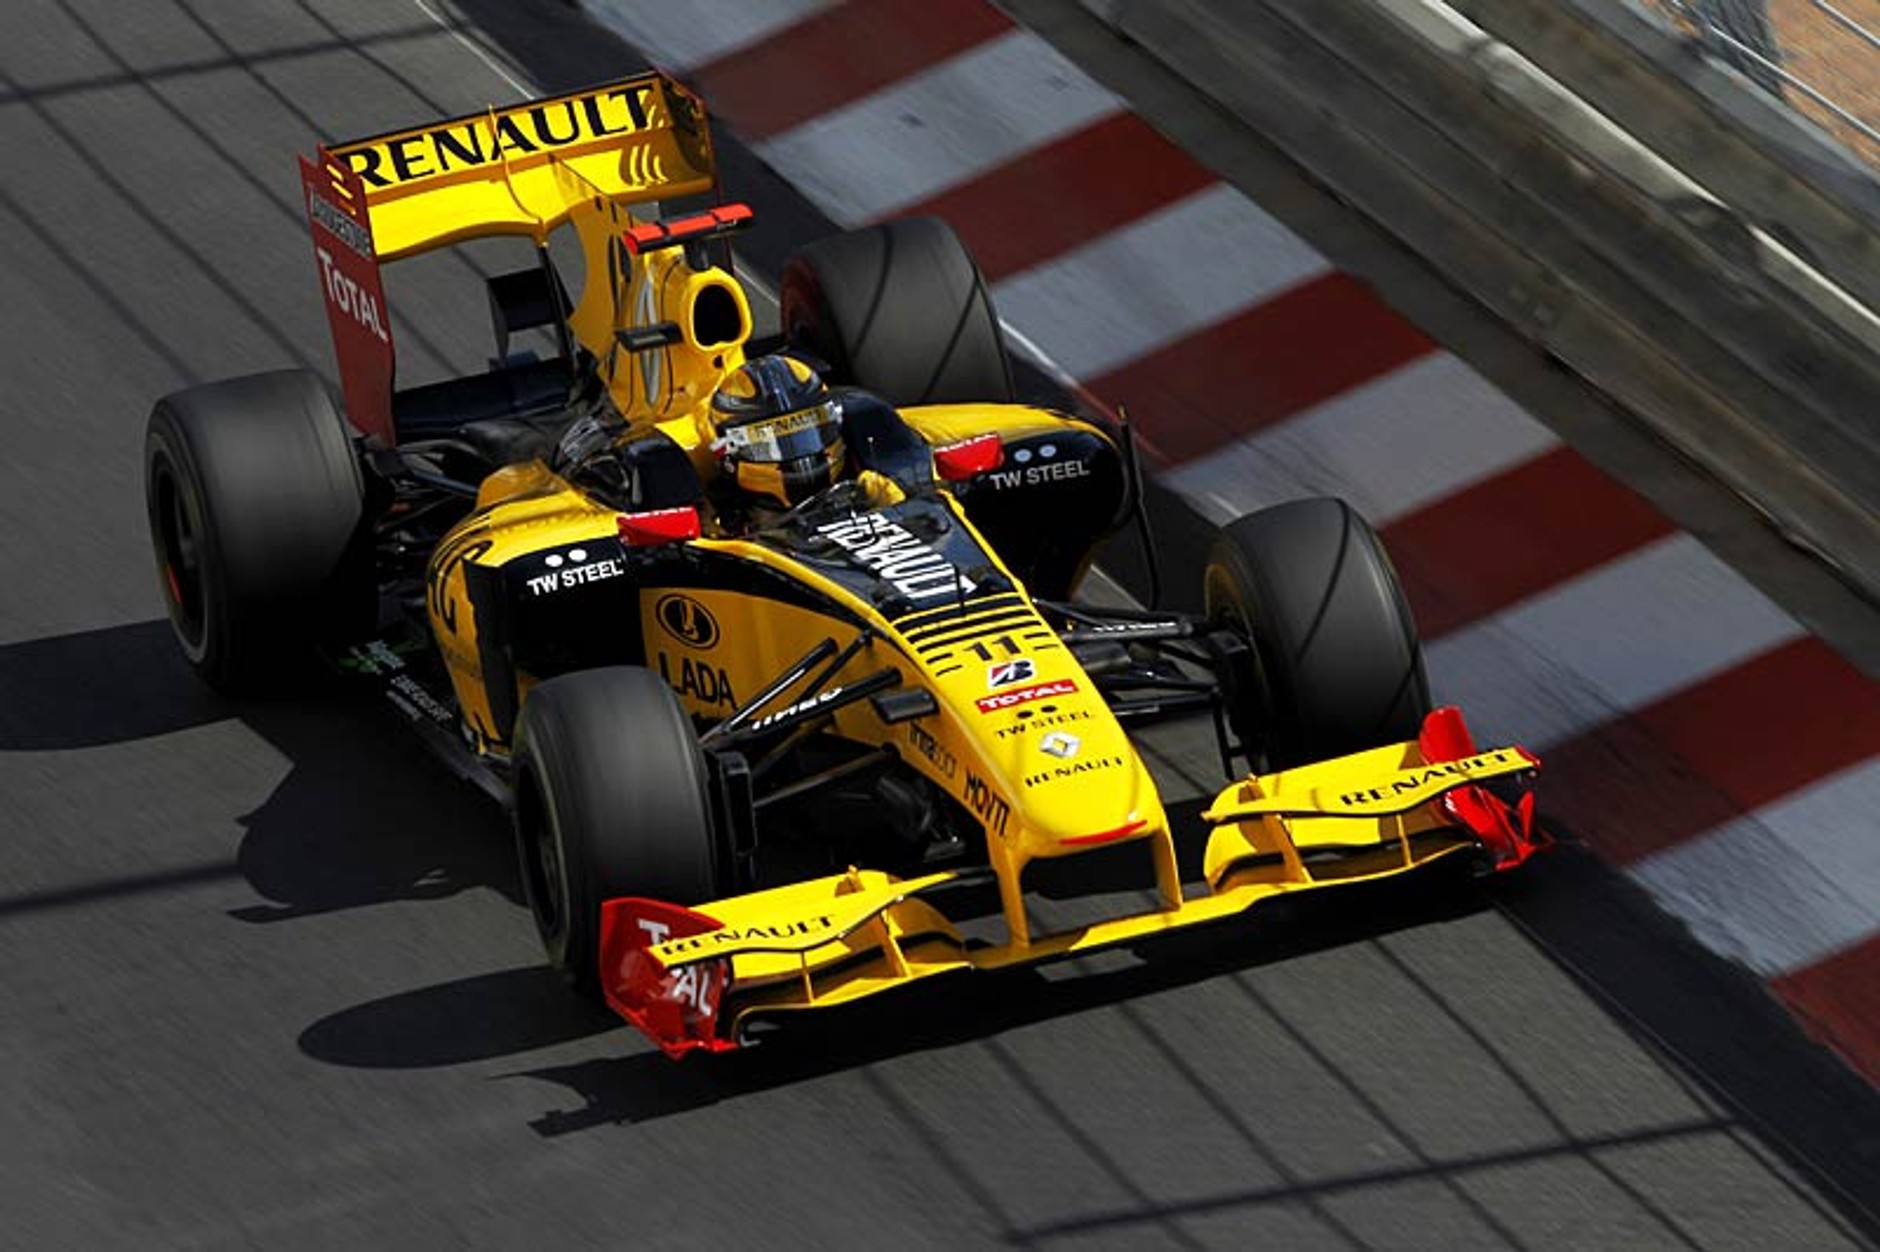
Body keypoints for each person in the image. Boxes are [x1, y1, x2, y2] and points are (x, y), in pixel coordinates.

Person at [704, 355, 849, 528]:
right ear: (725, 449)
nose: (796, 451)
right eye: (763, 442)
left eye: (806, 432)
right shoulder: (714, 519)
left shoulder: (871, 481)